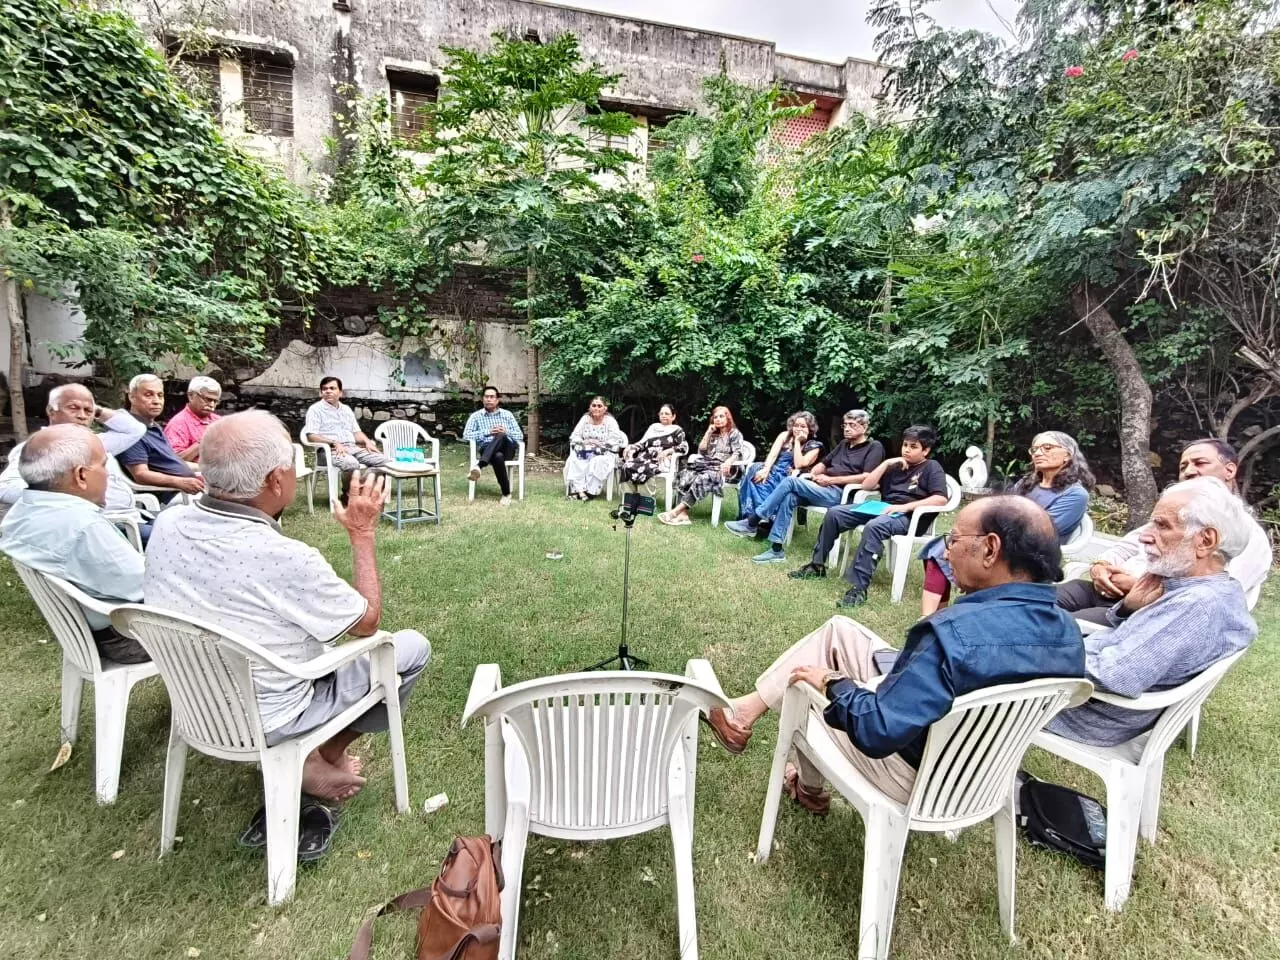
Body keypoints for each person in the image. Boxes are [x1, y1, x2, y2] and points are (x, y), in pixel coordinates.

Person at [704, 496, 1084, 808]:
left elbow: (877, 730)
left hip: (914, 775)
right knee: (840, 630)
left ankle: (809, 790)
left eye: (952, 540)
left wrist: (834, 683)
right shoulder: (1069, 634)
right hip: (978, 776)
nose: (945, 553)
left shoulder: (952, 633)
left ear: (990, 549)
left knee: (806, 684)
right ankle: (744, 712)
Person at [144, 411, 430, 803]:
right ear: (275, 480)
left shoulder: (168, 523)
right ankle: (322, 755)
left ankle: (313, 758)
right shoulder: (283, 556)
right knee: (411, 647)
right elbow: (366, 624)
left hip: (197, 700)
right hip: (274, 716)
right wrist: (362, 534)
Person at [1047, 476, 1258, 746]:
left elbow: (1114, 675)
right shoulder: (1215, 589)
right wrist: (1128, 609)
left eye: (1162, 525)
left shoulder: (1195, 605)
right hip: (1086, 698)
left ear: (1205, 541)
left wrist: (1034, 652)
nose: (1145, 536)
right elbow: (1129, 645)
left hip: (1081, 712)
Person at [1057, 438, 1272, 623]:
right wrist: (1100, 567)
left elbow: (1219, 596)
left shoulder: (1247, 535)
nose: (1189, 471)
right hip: (1101, 590)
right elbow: (1124, 548)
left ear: (1230, 470)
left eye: (1200, 463)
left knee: (1052, 626)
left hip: (1146, 612)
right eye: (1183, 466)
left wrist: (1138, 587)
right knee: (1036, 601)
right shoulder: (1173, 515)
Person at [0, 425, 149, 664]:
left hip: (82, 630)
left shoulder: (23, 510)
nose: (108, 475)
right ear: (80, 475)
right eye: (103, 466)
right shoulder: (83, 527)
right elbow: (145, 586)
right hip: (127, 637)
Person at [920, 430, 1093, 616]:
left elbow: (1041, 532)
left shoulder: (1075, 495)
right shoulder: (1027, 484)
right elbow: (999, 510)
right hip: (1001, 538)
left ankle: (936, 615)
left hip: (1029, 552)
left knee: (960, 548)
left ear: (1067, 455)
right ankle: (933, 614)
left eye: (1047, 448)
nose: (1038, 453)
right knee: (944, 545)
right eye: (1034, 449)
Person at [791, 425, 950, 609]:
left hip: (909, 517)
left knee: (875, 526)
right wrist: (885, 464)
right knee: (834, 513)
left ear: (926, 450)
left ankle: (859, 588)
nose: (906, 449)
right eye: (905, 445)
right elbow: (867, 485)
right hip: (884, 509)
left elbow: (940, 499)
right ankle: (817, 565)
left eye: (913, 447)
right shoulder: (896, 465)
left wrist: (904, 507)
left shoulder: (932, 467)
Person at [725, 409, 885, 563]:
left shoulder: (874, 447)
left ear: (864, 427)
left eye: (852, 425)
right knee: (789, 497)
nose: (847, 428)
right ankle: (776, 549)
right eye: (845, 425)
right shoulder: (844, 444)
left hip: (840, 495)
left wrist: (831, 480)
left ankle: (753, 521)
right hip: (822, 489)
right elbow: (823, 464)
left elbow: (867, 477)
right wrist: (814, 474)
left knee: (790, 481)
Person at [0, 383, 145, 516]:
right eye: (73, 408)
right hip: (98, 521)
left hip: (133, 515)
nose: (82, 416)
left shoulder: (96, 442)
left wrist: (97, 410)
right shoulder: (39, 446)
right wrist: (64, 496)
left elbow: (136, 430)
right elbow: (5, 487)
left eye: (88, 411)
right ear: (51, 411)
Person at [118, 374, 205, 499]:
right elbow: (141, 474)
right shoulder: (131, 431)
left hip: (188, 490)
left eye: (160, 395)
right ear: (132, 397)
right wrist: (180, 482)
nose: (156, 401)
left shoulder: (152, 426)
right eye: (148, 395)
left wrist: (208, 468)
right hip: (172, 495)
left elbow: (172, 462)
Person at [658, 406, 744, 526]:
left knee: (704, 477)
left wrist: (728, 462)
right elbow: (702, 451)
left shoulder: (734, 433)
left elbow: (738, 453)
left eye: (721, 416)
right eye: (715, 417)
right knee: (686, 474)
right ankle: (683, 515)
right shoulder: (714, 434)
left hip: (729, 469)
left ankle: (675, 512)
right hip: (710, 465)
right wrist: (708, 433)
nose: (718, 419)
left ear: (728, 418)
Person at [734, 411, 824, 522]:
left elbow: (799, 464)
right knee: (755, 470)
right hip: (773, 469)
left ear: (810, 429)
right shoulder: (785, 436)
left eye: (803, 426)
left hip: (790, 477)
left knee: (767, 482)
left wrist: (797, 441)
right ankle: (749, 516)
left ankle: (763, 518)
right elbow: (773, 454)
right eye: (796, 425)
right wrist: (766, 469)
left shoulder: (814, 446)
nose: (798, 429)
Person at [302, 377, 391, 484]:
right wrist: (334, 443)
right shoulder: (315, 410)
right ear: (321, 393)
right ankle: (350, 492)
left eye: (332, 388)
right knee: (351, 463)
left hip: (352, 448)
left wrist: (367, 442)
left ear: (340, 393)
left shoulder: (346, 410)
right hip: (329, 451)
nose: (328, 391)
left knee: (383, 461)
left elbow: (356, 432)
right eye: (325, 389)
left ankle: (362, 487)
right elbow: (311, 436)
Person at [463, 385, 524, 506]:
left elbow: (520, 436)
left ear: (497, 400)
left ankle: (479, 465)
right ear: (482, 399)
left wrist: (506, 432)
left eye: (492, 397)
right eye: (486, 397)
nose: (489, 399)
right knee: (498, 456)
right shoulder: (476, 416)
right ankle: (506, 494)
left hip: (507, 448)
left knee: (501, 435)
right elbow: (466, 435)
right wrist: (488, 432)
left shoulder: (507, 415)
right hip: (487, 449)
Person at [563, 396, 627, 500]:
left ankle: (591, 492)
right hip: (586, 451)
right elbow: (575, 436)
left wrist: (601, 445)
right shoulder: (585, 419)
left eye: (599, 406)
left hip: (605, 453)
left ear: (605, 408)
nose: (596, 408)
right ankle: (578, 490)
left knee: (597, 461)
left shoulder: (610, 421)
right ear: (590, 407)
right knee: (573, 459)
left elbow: (615, 439)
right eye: (594, 405)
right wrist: (585, 442)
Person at [619, 403, 688, 489]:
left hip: (660, 460)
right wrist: (631, 447)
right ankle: (632, 493)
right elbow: (643, 443)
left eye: (667, 414)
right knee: (627, 465)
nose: (663, 416)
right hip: (645, 458)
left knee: (648, 469)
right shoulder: (653, 428)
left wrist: (668, 451)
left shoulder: (677, 430)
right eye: (661, 414)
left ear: (673, 417)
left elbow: (684, 447)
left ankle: (646, 494)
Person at [163, 375, 222, 462]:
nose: (212, 405)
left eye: (215, 401)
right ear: (191, 396)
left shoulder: (219, 421)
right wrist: (203, 442)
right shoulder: (178, 424)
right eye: (207, 399)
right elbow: (174, 461)